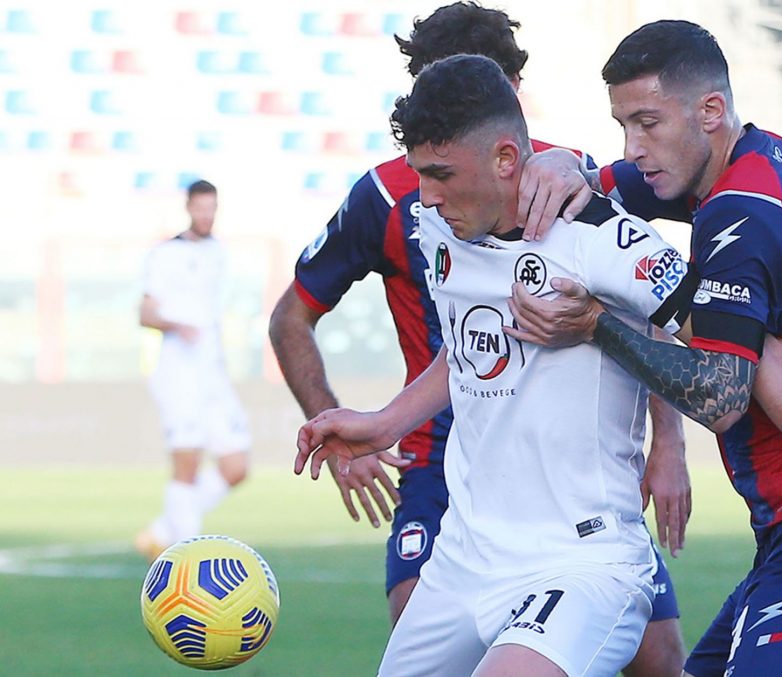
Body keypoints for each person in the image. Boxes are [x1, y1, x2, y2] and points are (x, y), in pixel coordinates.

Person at [506, 20, 782, 676]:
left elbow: (722, 395)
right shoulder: (776, 159)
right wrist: (573, 165)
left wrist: (595, 325)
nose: (634, 146)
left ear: (710, 111)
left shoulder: (737, 214)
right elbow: (609, 187)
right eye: (623, 125)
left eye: (648, 123)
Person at [268, 4, 690, 674]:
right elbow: (465, 346)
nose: (426, 195)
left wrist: (668, 438)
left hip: (579, 546)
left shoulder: (584, 202)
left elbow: (703, 334)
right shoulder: (426, 214)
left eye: (439, 174)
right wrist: (382, 424)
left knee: (659, 657)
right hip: (460, 525)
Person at [134, 179, 250, 561]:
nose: (206, 215)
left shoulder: (219, 252)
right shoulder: (166, 254)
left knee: (236, 465)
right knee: (188, 461)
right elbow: (145, 313)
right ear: (188, 208)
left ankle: (161, 531)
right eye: (200, 208)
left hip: (212, 371)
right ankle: (185, 556)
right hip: (178, 371)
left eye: (211, 208)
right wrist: (177, 325)